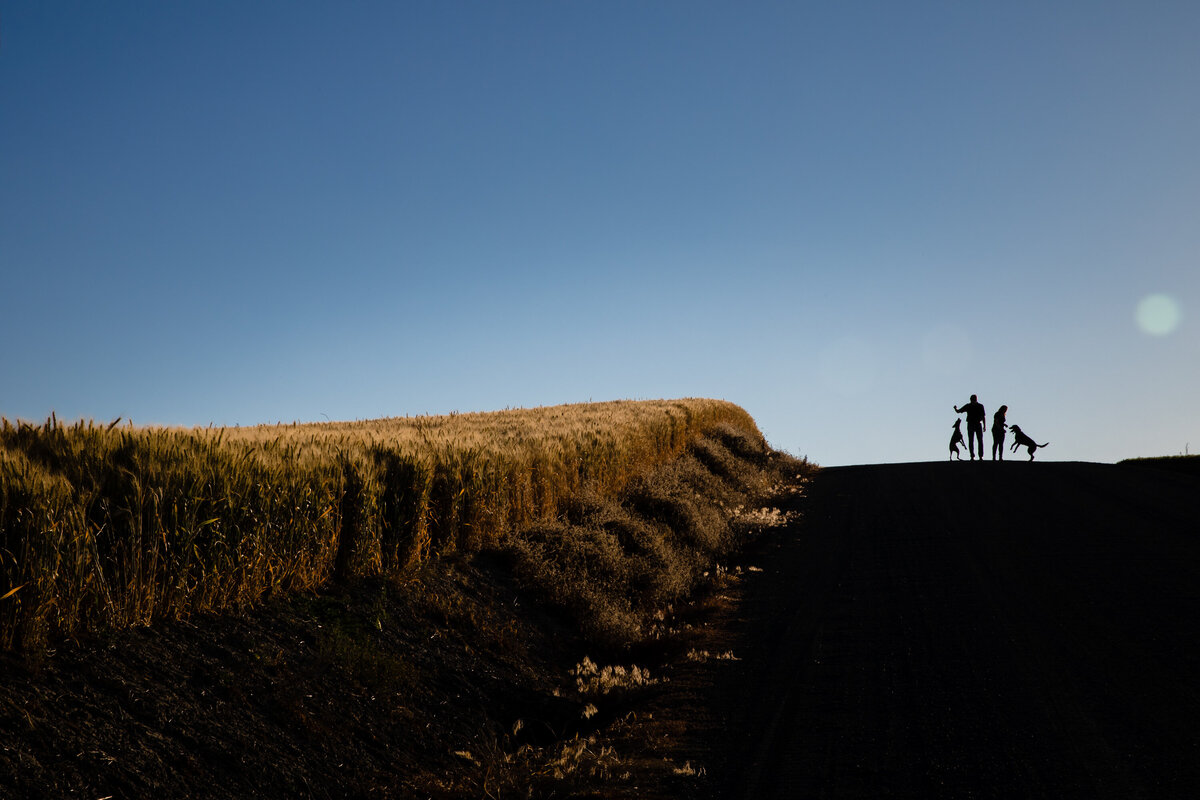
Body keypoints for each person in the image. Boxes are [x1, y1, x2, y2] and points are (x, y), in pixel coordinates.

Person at [953, 394, 986, 460]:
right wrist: (984, 426)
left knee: (973, 440)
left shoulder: (970, 406)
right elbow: (983, 416)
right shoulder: (979, 406)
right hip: (976, 424)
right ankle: (979, 456)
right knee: (977, 440)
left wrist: (955, 408)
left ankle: (974, 456)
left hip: (973, 424)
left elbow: (958, 411)